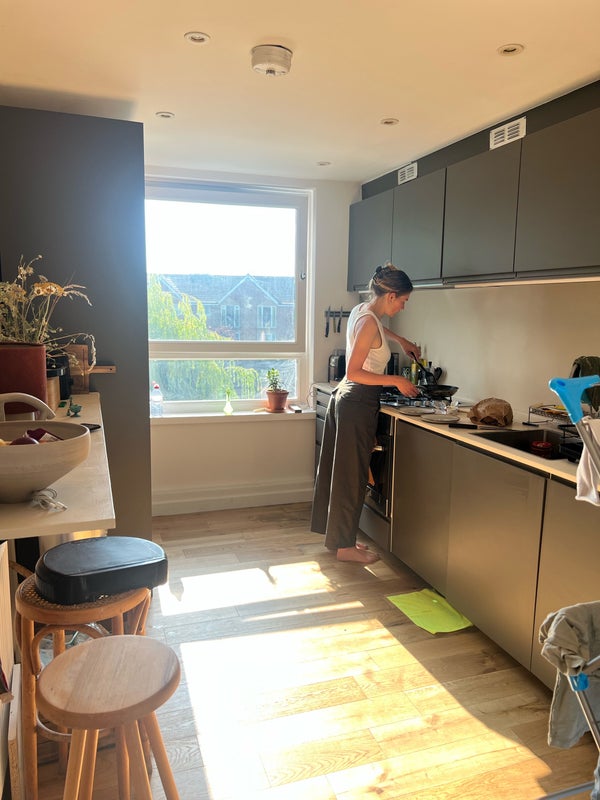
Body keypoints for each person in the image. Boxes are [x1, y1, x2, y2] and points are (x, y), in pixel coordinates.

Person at [311, 264, 421, 564]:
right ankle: (345, 548)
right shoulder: (370, 322)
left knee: (344, 474)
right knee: (352, 476)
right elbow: (354, 371)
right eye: (403, 300)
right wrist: (396, 380)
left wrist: (401, 341)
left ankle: (341, 540)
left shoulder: (363, 311)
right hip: (357, 400)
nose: (403, 306)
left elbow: (376, 330)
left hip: (348, 399)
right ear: (391, 295)